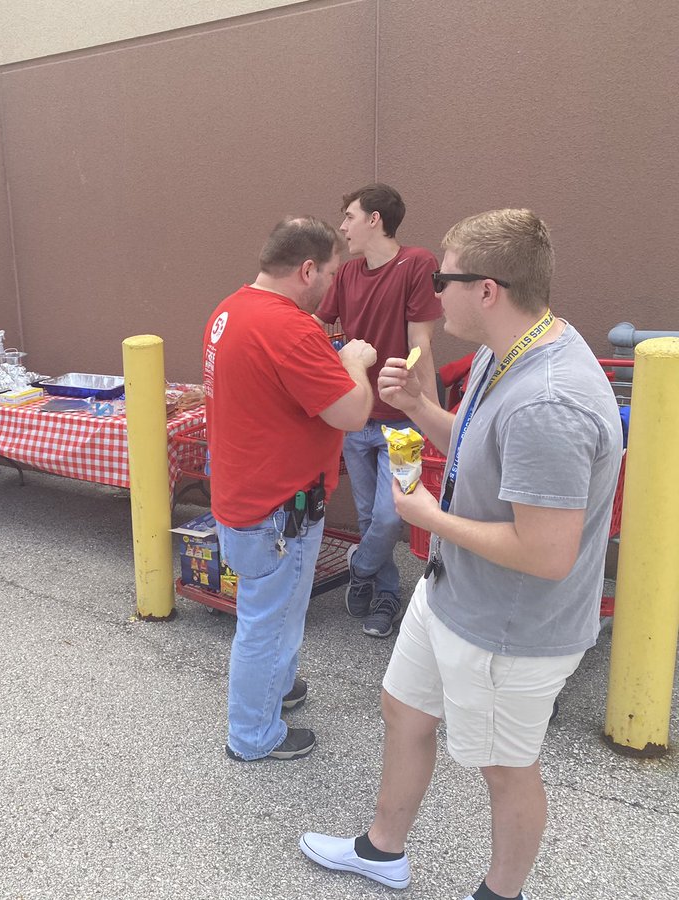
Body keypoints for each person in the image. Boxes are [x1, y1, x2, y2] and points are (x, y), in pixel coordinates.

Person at [300, 209, 621, 900]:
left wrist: (427, 515)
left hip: (511, 627)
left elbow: (547, 553)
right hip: (452, 591)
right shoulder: (500, 352)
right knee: (403, 710)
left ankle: (500, 895)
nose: (432, 289)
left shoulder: (549, 400)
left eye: (443, 277)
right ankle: (382, 850)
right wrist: (420, 407)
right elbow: (481, 449)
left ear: (487, 290)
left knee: (505, 768)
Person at [203, 217, 376, 761]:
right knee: (268, 621)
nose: (332, 284)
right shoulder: (290, 328)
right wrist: (354, 363)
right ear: (306, 269)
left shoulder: (230, 309)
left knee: (273, 614)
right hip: (279, 510)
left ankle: (274, 688)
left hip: (246, 497)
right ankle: (253, 735)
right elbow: (351, 413)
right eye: (329, 272)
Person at [314, 183, 443, 639]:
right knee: (369, 516)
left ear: (375, 220)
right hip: (355, 417)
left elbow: (421, 343)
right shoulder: (347, 275)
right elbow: (316, 325)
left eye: (350, 216)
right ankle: (385, 595)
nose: (343, 226)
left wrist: (430, 413)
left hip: (403, 421)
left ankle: (361, 567)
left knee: (394, 514)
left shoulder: (418, 263)